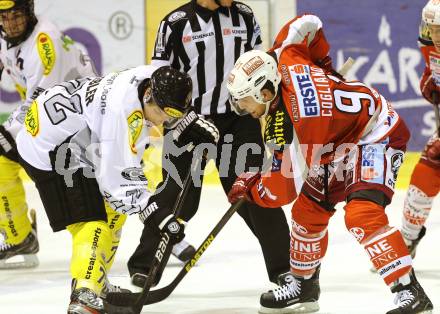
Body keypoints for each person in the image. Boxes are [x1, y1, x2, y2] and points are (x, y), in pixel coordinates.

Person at [226, 14, 434, 314]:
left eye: (244, 100)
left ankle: (411, 293)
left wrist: (252, 187)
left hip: (374, 133)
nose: (242, 108)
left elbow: (283, 189)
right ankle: (304, 287)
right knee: (306, 213)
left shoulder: (297, 126)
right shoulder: (284, 56)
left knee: (362, 215)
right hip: (334, 140)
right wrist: (322, 64)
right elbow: (307, 23)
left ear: (266, 92)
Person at [15, 65, 219, 313]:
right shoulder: (120, 114)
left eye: (175, 115)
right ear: (148, 98)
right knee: (92, 223)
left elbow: (119, 187)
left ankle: (97, 281)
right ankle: (84, 293)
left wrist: (188, 121)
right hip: (49, 148)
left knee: (114, 211)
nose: (168, 122)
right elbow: (118, 185)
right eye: (167, 114)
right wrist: (157, 215)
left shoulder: (149, 78)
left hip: (72, 134)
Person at [127, 0, 291, 290]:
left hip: (238, 121)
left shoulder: (244, 15)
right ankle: (145, 266)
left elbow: (261, 67)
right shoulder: (175, 23)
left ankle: (287, 270)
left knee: (255, 192)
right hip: (187, 121)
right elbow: (157, 82)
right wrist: (177, 121)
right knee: (177, 197)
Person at [0, 0, 99, 269]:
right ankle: (18, 235)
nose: (10, 23)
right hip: (53, 119)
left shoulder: (45, 43)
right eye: (4, 17)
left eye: (16, 15)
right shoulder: (4, 35)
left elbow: (39, 102)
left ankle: (159, 228)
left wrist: (6, 131)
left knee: (97, 191)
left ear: (30, 11)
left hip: (81, 119)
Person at [399, 0, 440, 259]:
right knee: (420, 182)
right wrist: (429, 81)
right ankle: (406, 240)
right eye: (431, 28)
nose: (435, 35)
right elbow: (431, 75)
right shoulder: (429, 47)